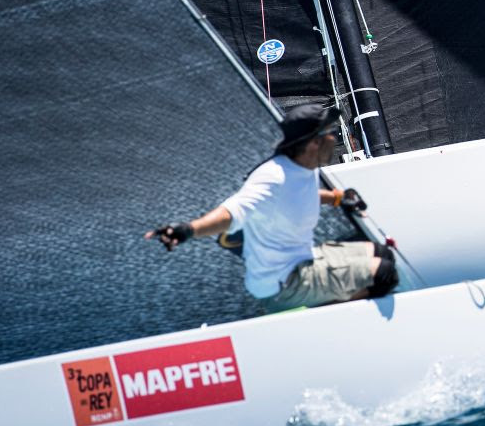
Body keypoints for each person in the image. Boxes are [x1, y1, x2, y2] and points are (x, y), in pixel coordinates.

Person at [146, 103, 398, 311]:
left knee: (382, 253)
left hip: (303, 259)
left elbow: (301, 193)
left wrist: (336, 197)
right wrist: (188, 230)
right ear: (314, 143)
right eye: (329, 133)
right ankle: (319, 314)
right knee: (385, 274)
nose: (335, 137)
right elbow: (231, 213)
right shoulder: (272, 177)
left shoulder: (303, 165)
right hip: (284, 284)